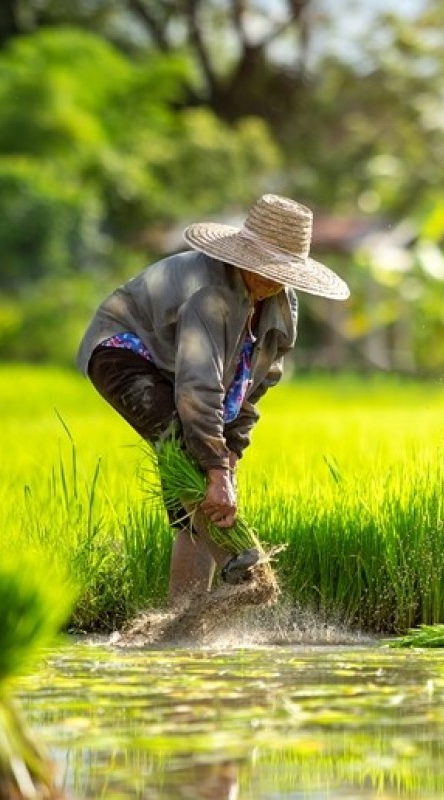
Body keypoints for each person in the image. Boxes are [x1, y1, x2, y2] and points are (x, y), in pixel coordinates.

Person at [77, 194, 350, 605]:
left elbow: (256, 383)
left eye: (281, 271)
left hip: (184, 373)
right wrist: (216, 469)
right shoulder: (209, 293)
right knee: (189, 454)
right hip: (126, 351)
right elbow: (197, 385)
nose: (271, 278)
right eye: (263, 267)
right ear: (243, 258)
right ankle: (242, 564)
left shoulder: (280, 303)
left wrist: (232, 451)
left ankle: (185, 616)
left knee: (198, 483)